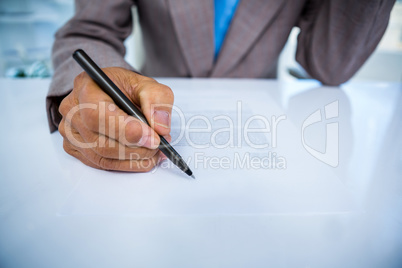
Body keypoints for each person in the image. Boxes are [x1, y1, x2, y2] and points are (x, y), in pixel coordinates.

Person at [47, 0, 395, 172]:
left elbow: (330, 66)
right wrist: (99, 87)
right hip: (144, 109)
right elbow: (89, 32)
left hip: (261, 130)